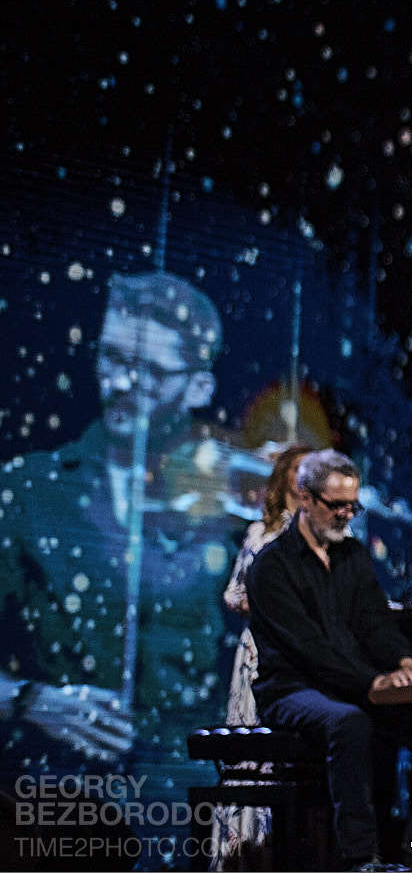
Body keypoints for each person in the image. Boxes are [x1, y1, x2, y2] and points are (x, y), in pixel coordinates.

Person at [0, 271, 241, 835]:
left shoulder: (231, 507)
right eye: (111, 358)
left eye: (152, 371)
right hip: (52, 802)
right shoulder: (27, 491)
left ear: (200, 388)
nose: (122, 382)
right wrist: (30, 700)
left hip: (188, 808)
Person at [246, 448, 412, 871]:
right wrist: (371, 683)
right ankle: (360, 858)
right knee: (350, 721)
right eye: (336, 505)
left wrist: (404, 662)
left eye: (352, 505)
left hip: (348, 682)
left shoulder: (352, 556)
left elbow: (374, 623)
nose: (346, 514)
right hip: (292, 689)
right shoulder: (271, 567)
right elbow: (308, 649)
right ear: (305, 498)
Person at [212, 442, 316, 867]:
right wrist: (270, 602)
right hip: (259, 650)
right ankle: (241, 850)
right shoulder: (261, 533)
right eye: (299, 469)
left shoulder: (319, 535)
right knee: (249, 750)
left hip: (299, 653)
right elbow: (234, 593)